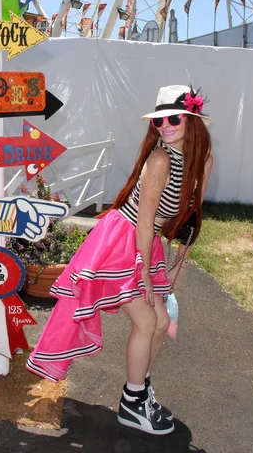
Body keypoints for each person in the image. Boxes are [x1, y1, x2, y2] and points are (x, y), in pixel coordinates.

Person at [26, 85, 213, 436]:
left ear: (192, 120)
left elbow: (187, 213)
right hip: (121, 243)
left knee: (159, 322)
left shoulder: (202, 158)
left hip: (145, 242)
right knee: (147, 321)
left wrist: (178, 255)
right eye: (159, 121)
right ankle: (133, 402)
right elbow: (144, 220)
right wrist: (143, 270)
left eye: (174, 118)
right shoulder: (160, 160)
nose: (165, 126)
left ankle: (139, 392)